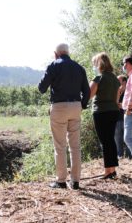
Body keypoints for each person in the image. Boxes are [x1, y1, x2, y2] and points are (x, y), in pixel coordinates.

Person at [38, 43, 90, 190]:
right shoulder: (79, 68)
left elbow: (42, 88)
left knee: (60, 146)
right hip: (75, 107)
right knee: (75, 146)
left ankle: (61, 181)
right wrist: (82, 105)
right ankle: (75, 181)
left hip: (59, 107)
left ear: (56, 54)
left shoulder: (53, 66)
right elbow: (86, 91)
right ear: (67, 52)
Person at [89, 53, 121, 179]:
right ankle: (112, 170)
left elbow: (89, 95)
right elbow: (116, 97)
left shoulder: (98, 78)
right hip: (113, 111)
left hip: (101, 112)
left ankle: (108, 171)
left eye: (94, 63)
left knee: (105, 141)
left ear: (99, 64)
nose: (94, 66)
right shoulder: (114, 78)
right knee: (110, 140)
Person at [114, 75, 131, 159]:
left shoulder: (130, 91)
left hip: (127, 117)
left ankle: (129, 156)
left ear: (124, 82)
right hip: (117, 118)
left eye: (118, 81)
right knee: (117, 137)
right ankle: (120, 155)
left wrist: (123, 106)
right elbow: (114, 103)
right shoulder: (116, 91)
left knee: (128, 137)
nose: (116, 83)